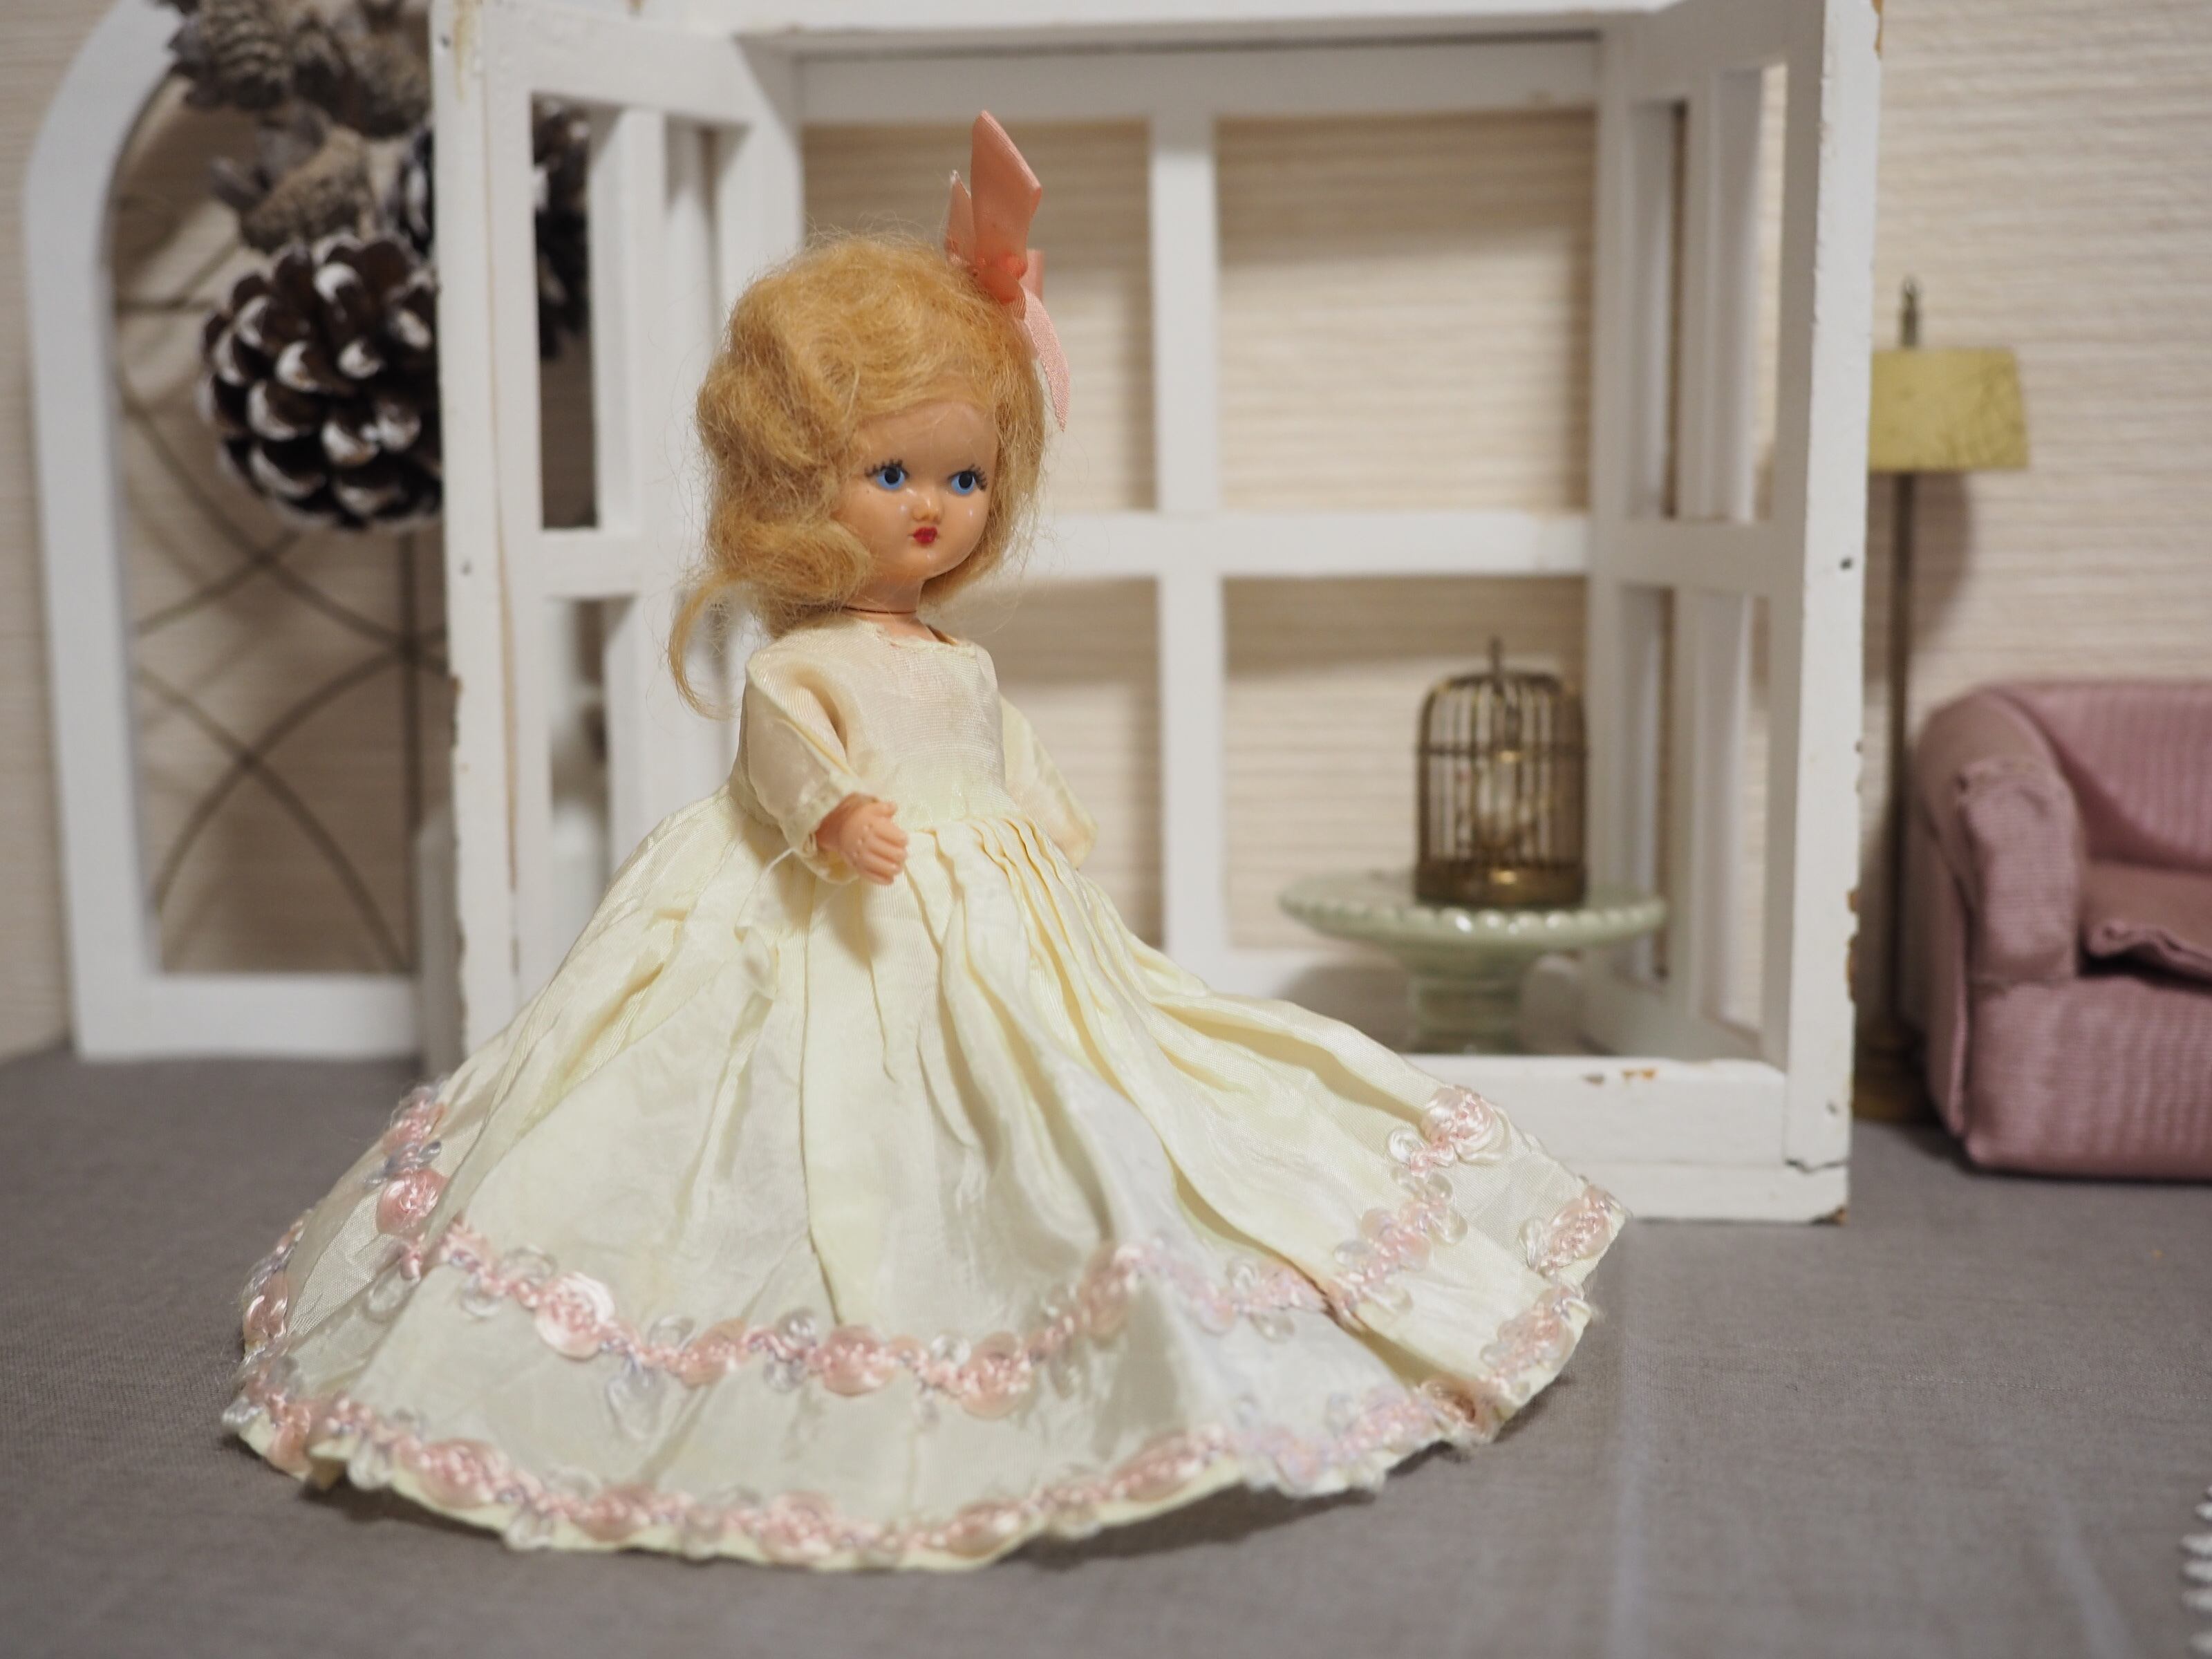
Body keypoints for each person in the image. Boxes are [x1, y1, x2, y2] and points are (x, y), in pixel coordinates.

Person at [222, 114, 1623, 1570]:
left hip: (996, 918)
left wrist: (1041, 824)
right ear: (792, 482)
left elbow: (994, 748)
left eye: (964, 481)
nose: (936, 511)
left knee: (1059, 1097)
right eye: (892, 475)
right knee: (789, 1109)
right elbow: (780, 746)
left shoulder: (955, 657)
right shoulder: (803, 660)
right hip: (829, 907)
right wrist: (831, 810)